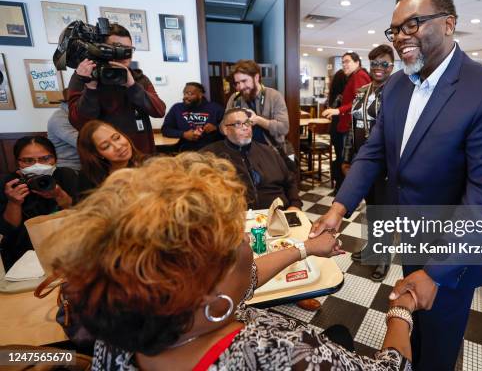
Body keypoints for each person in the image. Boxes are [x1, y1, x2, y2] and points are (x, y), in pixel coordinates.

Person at [310, 0, 482, 370]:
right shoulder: (395, 86)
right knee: (410, 328)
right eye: (395, 30)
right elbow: (374, 152)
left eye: (413, 24)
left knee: (437, 346)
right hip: (410, 233)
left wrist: (436, 272)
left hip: (453, 251)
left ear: (448, 24)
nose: (400, 37)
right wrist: (337, 209)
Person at [43, 152, 417, 370]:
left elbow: (244, 280)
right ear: (212, 295)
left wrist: (304, 249)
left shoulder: (125, 330)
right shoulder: (284, 352)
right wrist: (401, 313)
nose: (245, 242)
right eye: (234, 237)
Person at [67, 23, 166, 155]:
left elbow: (159, 111)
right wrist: (91, 88)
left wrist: (132, 86)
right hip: (105, 159)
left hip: (141, 155)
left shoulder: (138, 78)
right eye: (116, 48)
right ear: (101, 49)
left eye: (128, 49)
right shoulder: (85, 76)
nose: (124, 54)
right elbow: (80, 123)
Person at [342, 44, 395, 281]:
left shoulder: (397, 92)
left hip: (386, 166)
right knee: (371, 210)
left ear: (392, 66)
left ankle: (383, 258)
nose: (379, 68)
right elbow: (353, 127)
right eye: (374, 63)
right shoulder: (362, 90)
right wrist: (347, 157)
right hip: (362, 161)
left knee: (384, 213)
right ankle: (372, 248)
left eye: (384, 63)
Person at [0, 136, 77, 269]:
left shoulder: (65, 175)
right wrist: (14, 203)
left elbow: (81, 215)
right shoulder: (10, 183)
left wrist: (60, 195)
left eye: (45, 158)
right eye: (28, 160)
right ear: (18, 162)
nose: (37, 165)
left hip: (68, 249)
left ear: (55, 159)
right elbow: (8, 232)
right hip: (25, 254)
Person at [204, 109, 301, 211]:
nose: (245, 128)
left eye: (247, 123)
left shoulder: (269, 151)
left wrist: (295, 205)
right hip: (236, 218)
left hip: (279, 214)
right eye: (238, 124)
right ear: (225, 129)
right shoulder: (210, 156)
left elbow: (290, 181)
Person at [322, 52, 371, 193]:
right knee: (345, 162)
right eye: (343, 62)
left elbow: (359, 101)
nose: (344, 64)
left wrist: (338, 111)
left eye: (347, 61)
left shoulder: (359, 76)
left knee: (346, 163)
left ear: (357, 62)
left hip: (350, 127)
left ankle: (347, 192)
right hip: (347, 125)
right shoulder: (354, 76)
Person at [225, 60, 290, 152]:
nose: (241, 87)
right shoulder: (234, 99)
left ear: (256, 77)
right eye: (237, 83)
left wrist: (258, 120)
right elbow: (224, 127)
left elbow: (284, 128)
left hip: (270, 153)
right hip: (242, 152)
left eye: (244, 81)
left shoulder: (274, 96)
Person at [76, 120, 143, 198]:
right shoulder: (89, 177)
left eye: (117, 138)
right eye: (106, 146)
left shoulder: (149, 164)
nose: (118, 147)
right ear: (97, 154)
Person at [161, 82, 224, 151]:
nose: (185, 97)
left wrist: (215, 128)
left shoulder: (216, 108)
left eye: (190, 94)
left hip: (211, 150)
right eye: (184, 93)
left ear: (200, 95)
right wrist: (183, 134)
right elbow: (165, 129)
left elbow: (228, 129)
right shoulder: (177, 108)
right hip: (184, 150)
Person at [47, 89, 81, 171]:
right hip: (68, 168)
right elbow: (82, 143)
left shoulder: (78, 116)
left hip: (84, 166)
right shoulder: (59, 118)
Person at [326, 69, 348, 192]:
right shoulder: (342, 96)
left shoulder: (333, 94)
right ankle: (340, 186)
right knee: (343, 158)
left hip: (334, 129)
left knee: (339, 157)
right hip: (341, 129)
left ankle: (338, 184)